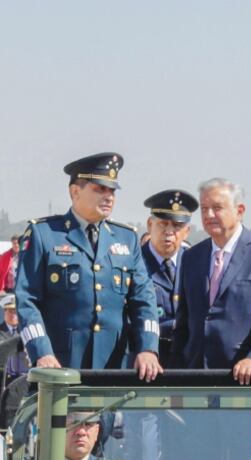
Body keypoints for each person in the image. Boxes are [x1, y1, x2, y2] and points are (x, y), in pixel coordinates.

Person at [14, 152, 162, 379]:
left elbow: (144, 300)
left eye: (112, 191)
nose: (109, 197)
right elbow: (27, 300)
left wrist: (148, 348)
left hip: (114, 367)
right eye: (99, 189)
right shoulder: (44, 235)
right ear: (75, 192)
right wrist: (41, 352)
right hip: (59, 367)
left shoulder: (126, 238)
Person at [170, 178, 251, 384]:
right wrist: (174, 375)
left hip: (248, 378)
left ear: (240, 210)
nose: (209, 215)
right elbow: (184, 322)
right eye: (204, 209)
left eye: (217, 208)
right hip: (197, 380)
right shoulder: (192, 257)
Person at [138, 189, 196, 361]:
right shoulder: (135, 263)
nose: (169, 231)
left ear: (187, 231)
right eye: (163, 224)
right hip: (146, 360)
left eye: (177, 226)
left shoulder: (196, 262)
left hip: (187, 361)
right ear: (150, 224)